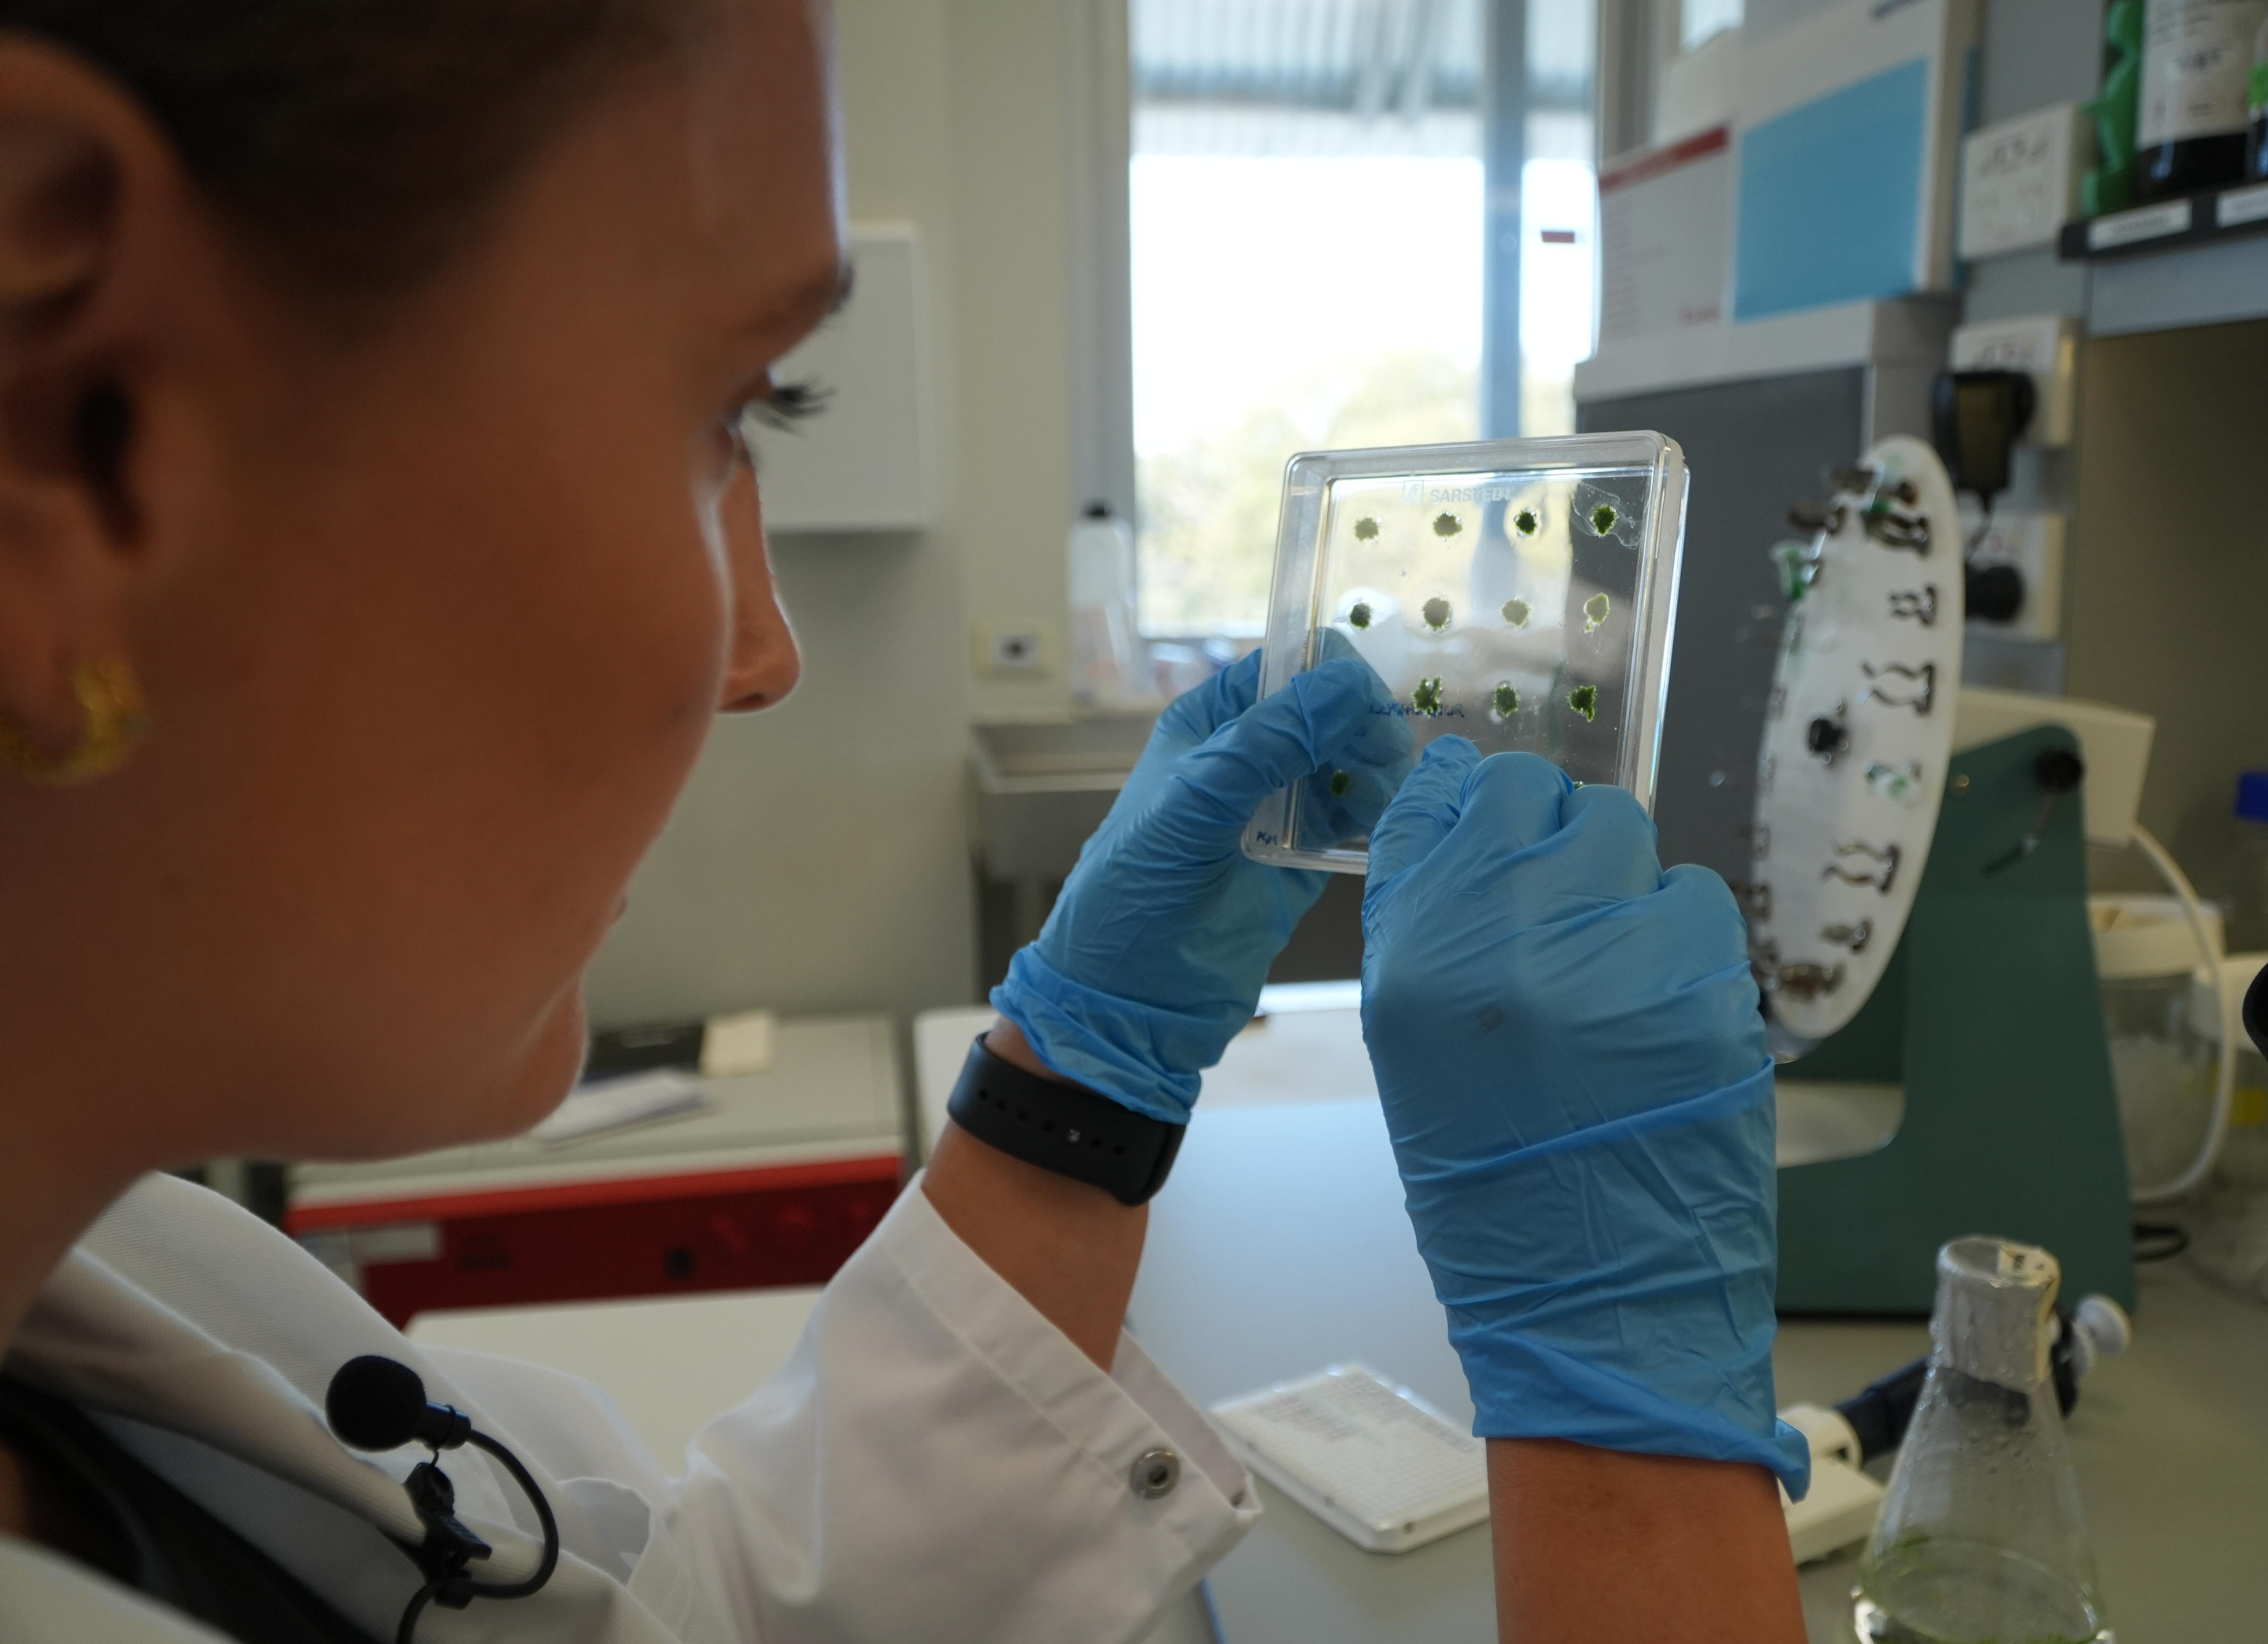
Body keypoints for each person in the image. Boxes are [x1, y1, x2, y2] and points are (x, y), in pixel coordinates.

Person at [0, 3, 1806, 1642]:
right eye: (729, 402)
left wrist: (1069, 1096)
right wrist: (1624, 1454)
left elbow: (689, 1625)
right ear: (73, 411)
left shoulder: (102, 1318)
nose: (768, 652)